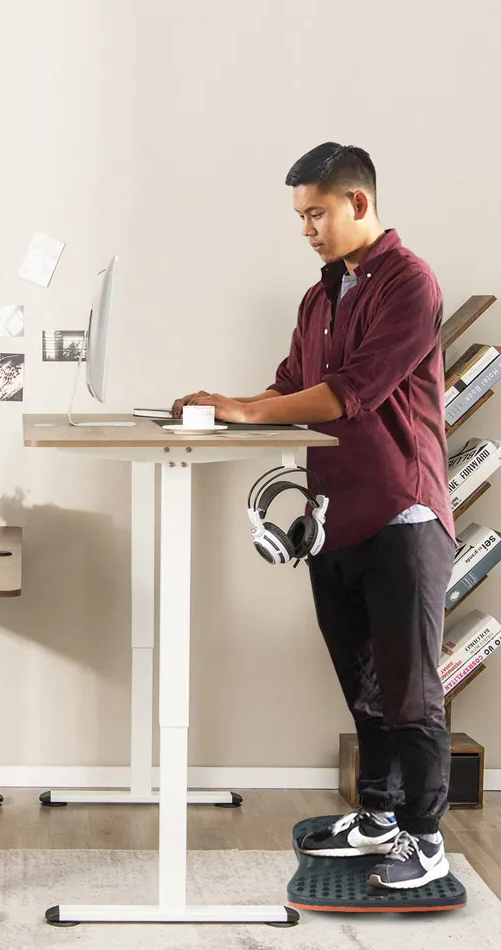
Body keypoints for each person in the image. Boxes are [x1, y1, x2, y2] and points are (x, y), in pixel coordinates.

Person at [172, 143, 454, 890]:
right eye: (300, 217)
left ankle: (424, 838)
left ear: (359, 203)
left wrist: (243, 409)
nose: (307, 230)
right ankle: (380, 817)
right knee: (362, 685)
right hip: (337, 518)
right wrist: (222, 412)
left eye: (316, 214)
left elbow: (350, 393)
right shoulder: (320, 296)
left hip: (404, 515)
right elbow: (291, 386)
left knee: (410, 690)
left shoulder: (409, 284)